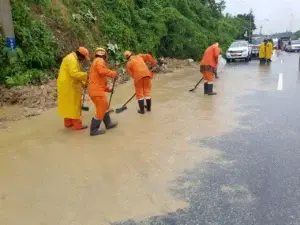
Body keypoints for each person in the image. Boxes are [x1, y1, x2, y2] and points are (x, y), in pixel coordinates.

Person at [57, 47, 90, 130]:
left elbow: (75, 75)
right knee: (75, 104)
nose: (83, 60)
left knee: (69, 104)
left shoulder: (73, 58)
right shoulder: (72, 60)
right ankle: (77, 125)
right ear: (80, 55)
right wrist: (86, 75)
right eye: (83, 58)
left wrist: (83, 84)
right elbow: (74, 74)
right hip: (70, 85)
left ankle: (68, 122)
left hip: (66, 84)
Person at [88, 47, 119, 136]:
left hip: (95, 90)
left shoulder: (96, 63)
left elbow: (102, 83)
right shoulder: (99, 60)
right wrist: (113, 74)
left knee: (104, 106)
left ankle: (108, 124)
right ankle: (94, 129)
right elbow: (102, 71)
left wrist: (109, 89)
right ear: (104, 56)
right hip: (96, 91)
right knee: (101, 108)